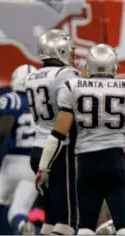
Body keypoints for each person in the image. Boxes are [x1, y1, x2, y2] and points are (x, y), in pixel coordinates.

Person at [34, 44, 125, 234]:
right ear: (114, 66)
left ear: (89, 66)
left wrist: (44, 167)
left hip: (86, 161)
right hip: (116, 159)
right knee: (124, 225)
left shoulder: (73, 87)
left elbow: (58, 134)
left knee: (85, 226)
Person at [25, 29, 79, 235]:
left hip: (38, 149)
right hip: (60, 151)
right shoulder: (66, 74)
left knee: (50, 221)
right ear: (61, 50)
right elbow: (71, 113)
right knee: (68, 221)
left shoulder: (31, 76)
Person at [0, 64, 38, 235]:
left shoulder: (11, 99)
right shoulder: (45, 105)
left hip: (12, 161)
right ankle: (22, 225)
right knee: (18, 211)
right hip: (35, 164)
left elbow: (4, 127)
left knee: (1, 203)